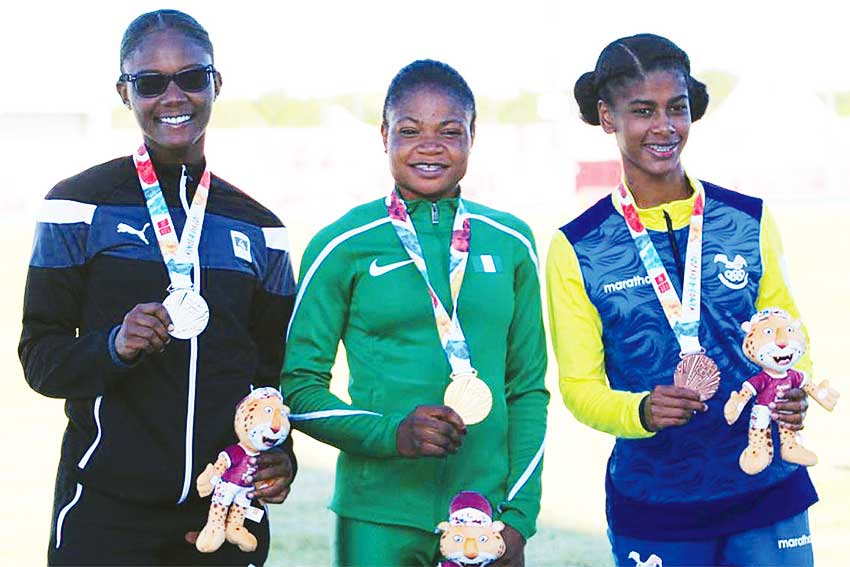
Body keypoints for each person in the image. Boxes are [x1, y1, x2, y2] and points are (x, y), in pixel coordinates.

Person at [19, 9, 296, 565]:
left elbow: (275, 374)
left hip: (223, 510)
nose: (174, 97)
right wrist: (113, 345)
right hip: (103, 513)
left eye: (191, 78)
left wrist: (281, 456)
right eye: (150, 82)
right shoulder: (77, 204)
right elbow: (40, 357)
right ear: (125, 92)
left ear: (215, 83)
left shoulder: (261, 227)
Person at [546, 33, 819, 566]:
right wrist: (641, 409)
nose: (664, 127)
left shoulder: (748, 219)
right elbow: (579, 387)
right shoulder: (577, 246)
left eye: (677, 108)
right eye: (642, 111)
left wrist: (796, 386)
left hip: (768, 490)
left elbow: (791, 335)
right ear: (607, 117)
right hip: (655, 503)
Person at [279, 59, 548, 566]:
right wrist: (392, 435)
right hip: (378, 514)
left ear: (473, 136)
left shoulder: (513, 242)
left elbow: (528, 390)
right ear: (384, 135)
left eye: (450, 131)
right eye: (409, 130)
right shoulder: (343, 244)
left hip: (484, 517)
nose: (430, 146)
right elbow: (299, 389)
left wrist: (518, 518)